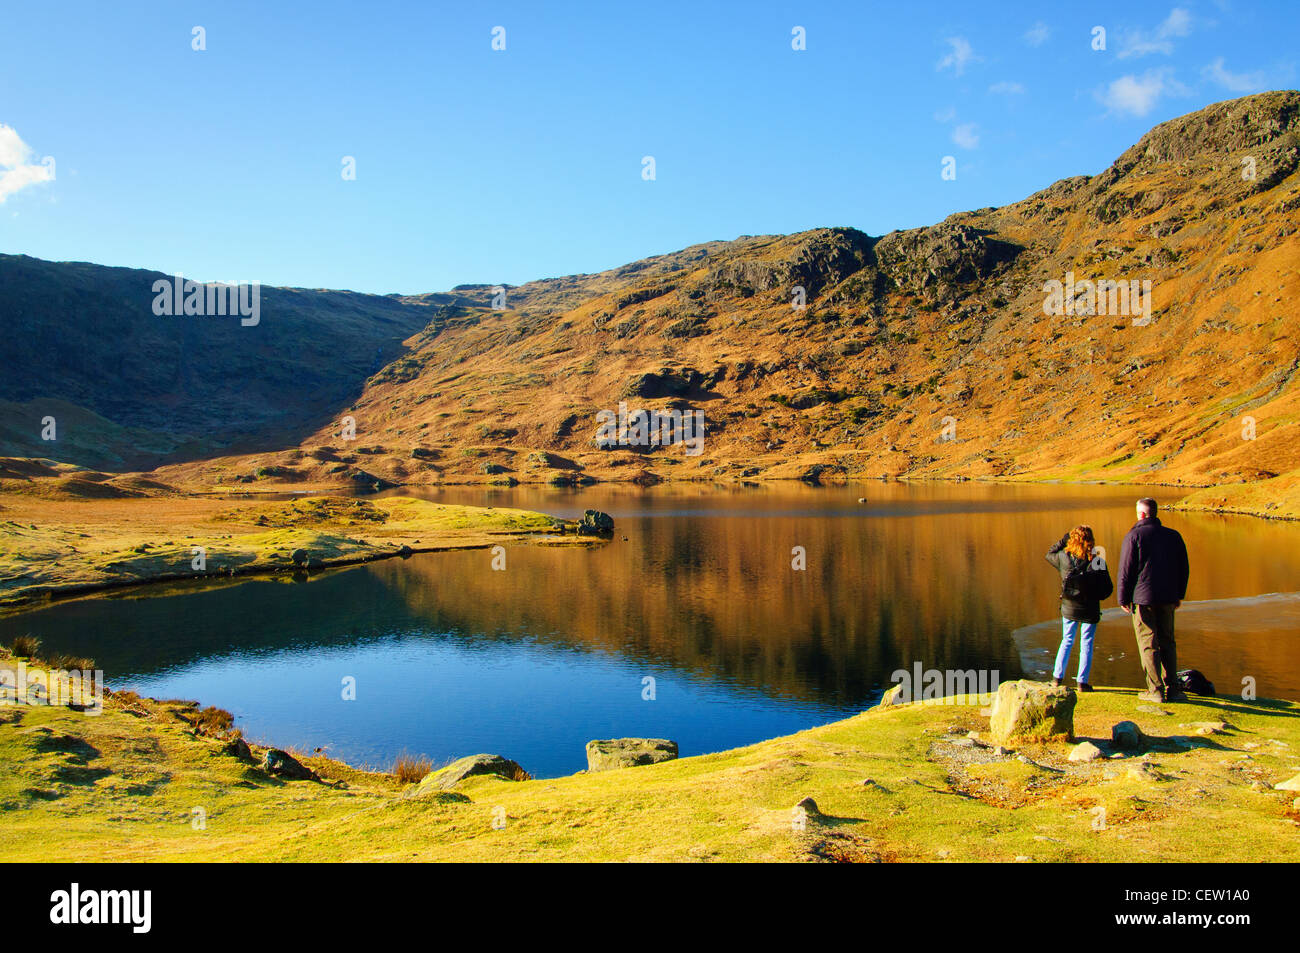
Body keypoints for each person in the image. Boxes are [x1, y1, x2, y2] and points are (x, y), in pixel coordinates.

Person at [1117, 498, 1190, 703]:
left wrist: (1123, 597)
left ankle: (1155, 690)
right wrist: (1179, 594)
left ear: (1141, 514)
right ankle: (1173, 689)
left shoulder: (1134, 536)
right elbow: (1183, 568)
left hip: (1143, 598)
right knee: (1168, 641)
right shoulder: (1173, 536)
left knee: (1148, 643)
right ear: (1155, 513)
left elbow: (1126, 570)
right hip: (1168, 597)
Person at [1046, 525, 1103, 691]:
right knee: (1087, 643)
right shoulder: (1097, 561)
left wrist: (1063, 541)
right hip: (1089, 608)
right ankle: (1082, 682)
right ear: (1091, 540)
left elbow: (1049, 554)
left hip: (1069, 607)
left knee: (1067, 640)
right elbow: (1105, 586)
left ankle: (1057, 678)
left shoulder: (1063, 558)